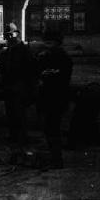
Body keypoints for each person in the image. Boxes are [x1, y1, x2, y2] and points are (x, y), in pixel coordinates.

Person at [37, 26, 73, 169]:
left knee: (53, 129)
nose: (47, 46)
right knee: (49, 129)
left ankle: (56, 160)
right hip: (50, 97)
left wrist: (47, 74)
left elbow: (61, 77)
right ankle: (54, 157)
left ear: (57, 43)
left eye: (50, 43)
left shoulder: (62, 58)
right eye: (46, 43)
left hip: (55, 98)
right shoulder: (47, 56)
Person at [0, 22, 36, 145]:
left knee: (20, 114)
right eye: (7, 35)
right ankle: (13, 136)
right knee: (10, 113)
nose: (9, 37)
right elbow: (3, 69)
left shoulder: (25, 51)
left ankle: (22, 138)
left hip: (20, 87)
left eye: (11, 35)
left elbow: (31, 71)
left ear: (17, 34)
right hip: (9, 87)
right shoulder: (5, 53)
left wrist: (28, 88)